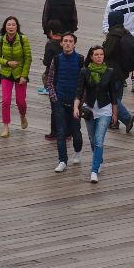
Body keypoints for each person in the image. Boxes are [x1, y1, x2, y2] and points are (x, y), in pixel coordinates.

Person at [76, 45, 121, 184]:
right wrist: (75, 107)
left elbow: (114, 94)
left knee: (99, 139)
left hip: (105, 109)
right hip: (89, 109)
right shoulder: (84, 71)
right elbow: (79, 91)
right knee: (92, 138)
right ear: (91, 56)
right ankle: (99, 159)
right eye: (96, 55)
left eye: (101, 54)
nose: (99, 57)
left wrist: (115, 113)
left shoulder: (109, 72)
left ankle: (94, 171)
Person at [48, 34, 86, 171]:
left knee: (76, 131)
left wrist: (81, 100)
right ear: (61, 44)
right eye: (65, 41)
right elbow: (50, 80)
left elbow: (85, 82)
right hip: (60, 100)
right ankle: (62, 160)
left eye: (71, 41)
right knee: (61, 131)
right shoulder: (56, 59)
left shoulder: (81, 60)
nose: (68, 43)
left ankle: (78, 150)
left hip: (76, 102)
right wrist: (54, 97)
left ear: (74, 44)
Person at [0, 17, 32, 136]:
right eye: (8, 25)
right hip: (6, 73)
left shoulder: (23, 39)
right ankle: (6, 127)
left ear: (17, 27)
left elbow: (28, 58)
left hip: (20, 73)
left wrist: (24, 76)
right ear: (5, 27)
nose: (11, 27)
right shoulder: (0, 40)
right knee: (6, 101)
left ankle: (22, 116)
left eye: (13, 25)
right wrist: (7, 62)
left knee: (20, 101)